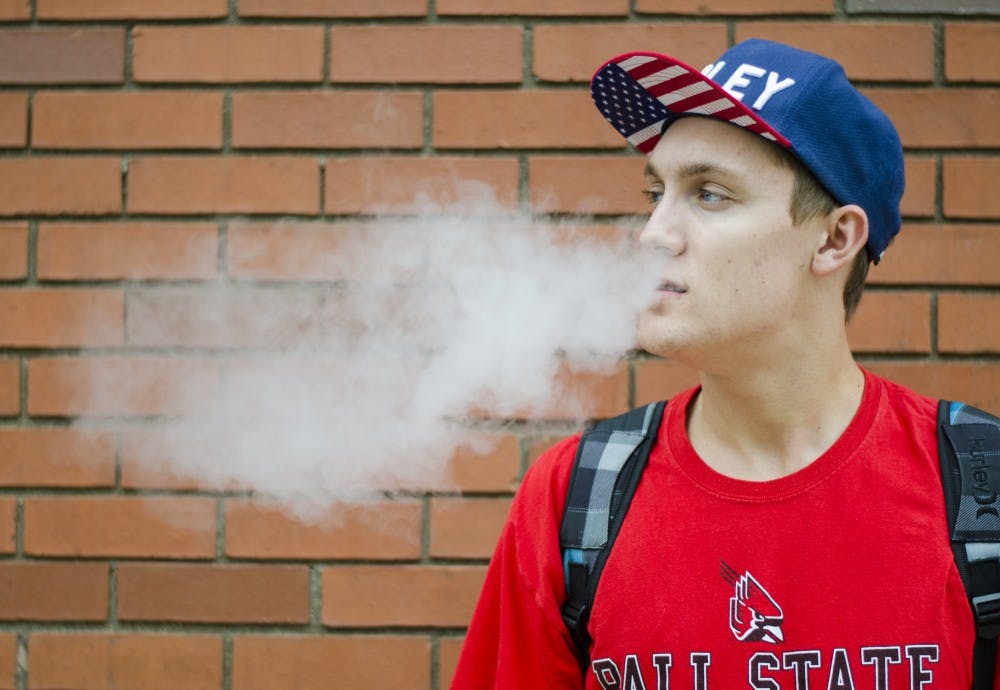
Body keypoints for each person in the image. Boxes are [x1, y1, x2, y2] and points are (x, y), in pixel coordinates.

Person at [449, 39, 996, 689]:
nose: (654, 233)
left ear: (834, 239)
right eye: (657, 192)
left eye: (709, 194)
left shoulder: (978, 492)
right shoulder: (574, 499)